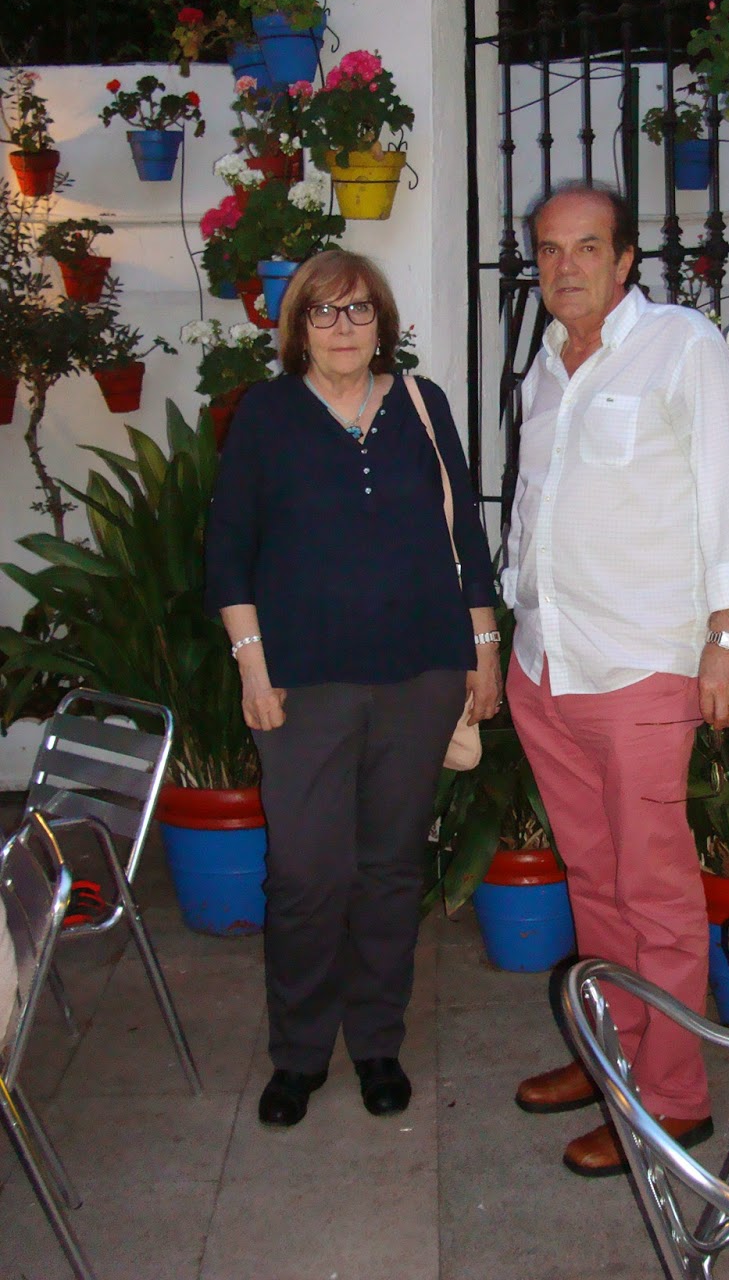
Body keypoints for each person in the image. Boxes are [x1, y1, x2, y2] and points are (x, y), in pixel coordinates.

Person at [503, 183, 729, 1177]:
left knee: (655, 891)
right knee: (595, 880)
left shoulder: (682, 347)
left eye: (587, 247)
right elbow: (532, 510)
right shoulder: (544, 364)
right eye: (549, 249)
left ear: (625, 261)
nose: (565, 266)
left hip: (641, 665)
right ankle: (613, 1056)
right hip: (547, 664)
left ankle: (674, 1100)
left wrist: (728, 637)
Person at [205, 249, 500, 1129]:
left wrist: (483, 649)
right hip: (301, 685)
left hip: (421, 674)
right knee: (305, 874)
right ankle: (298, 1053)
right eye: (324, 312)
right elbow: (229, 550)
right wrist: (253, 668)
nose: (343, 327)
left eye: (360, 310)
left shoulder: (421, 403)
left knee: (389, 867)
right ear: (298, 325)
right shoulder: (265, 414)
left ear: (383, 323)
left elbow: (466, 533)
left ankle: (376, 1042)